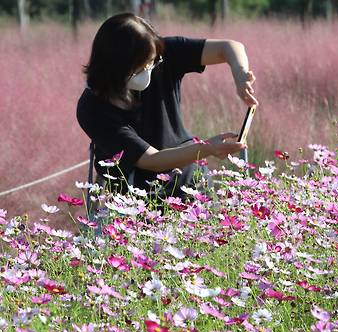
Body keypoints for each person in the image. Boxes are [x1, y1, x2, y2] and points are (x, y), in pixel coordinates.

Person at [76, 13, 259, 206]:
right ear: (117, 67)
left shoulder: (160, 51)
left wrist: (240, 75)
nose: (150, 68)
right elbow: (152, 160)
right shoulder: (93, 109)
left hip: (192, 188)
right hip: (135, 207)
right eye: (142, 67)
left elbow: (228, 47)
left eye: (153, 62)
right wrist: (207, 149)